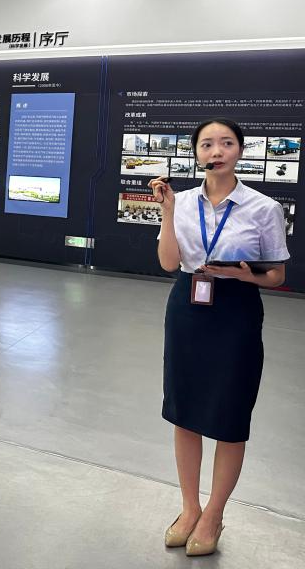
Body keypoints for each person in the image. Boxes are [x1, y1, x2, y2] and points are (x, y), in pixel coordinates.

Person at [150, 117, 289, 557]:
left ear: (240, 151)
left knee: (229, 415)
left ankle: (213, 514)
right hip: (187, 306)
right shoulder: (181, 202)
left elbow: (276, 276)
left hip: (236, 310)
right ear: (196, 153)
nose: (217, 151)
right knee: (184, 410)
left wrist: (245, 275)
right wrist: (167, 211)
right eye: (207, 144)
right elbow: (169, 263)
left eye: (226, 143)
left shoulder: (264, 208)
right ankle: (189, 507)